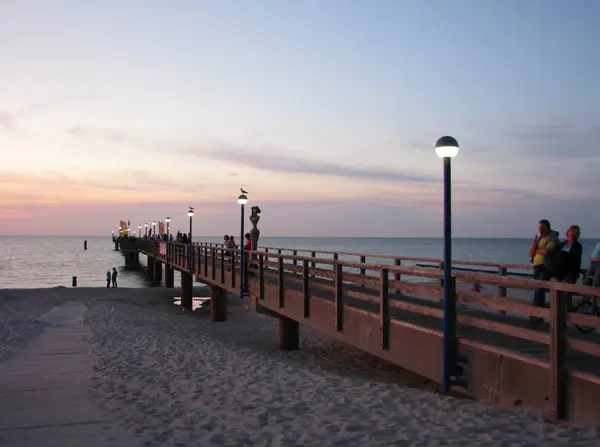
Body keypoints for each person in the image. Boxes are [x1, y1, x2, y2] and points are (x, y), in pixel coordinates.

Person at [529, 219, 559, 322]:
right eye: (539, 228)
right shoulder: (539, 239)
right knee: (537, 291)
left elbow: (547, 251)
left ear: (547, 228)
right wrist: (534, 244)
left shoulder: (552, 238)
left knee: (539, 289)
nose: (540, 230)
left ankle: (535, 314)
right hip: (537, 267)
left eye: (542, 228)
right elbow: (531, 253)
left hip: (546, 268)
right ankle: (536, 315)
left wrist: (536, 251)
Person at [547, 225, 583, 311]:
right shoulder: (562, 244)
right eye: (570, 231)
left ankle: (565, 319)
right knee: (556, 297)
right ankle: (556, 321)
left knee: (566, 297)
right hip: (558, 273)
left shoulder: (577, 246)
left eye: (572, 231)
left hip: (568, 274)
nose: (569, 233)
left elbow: (574, 261)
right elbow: (551, 253)